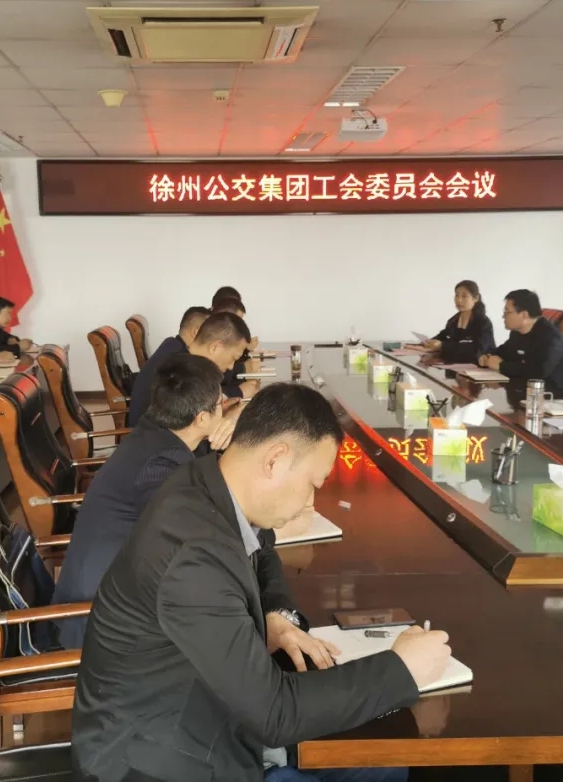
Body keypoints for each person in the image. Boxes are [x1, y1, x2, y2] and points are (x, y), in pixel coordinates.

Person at [71, 382, 452, 782]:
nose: (310, 503)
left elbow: (262, 548)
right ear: (275, 460)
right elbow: (275, 714)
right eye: (313, 484)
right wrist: (402, 669)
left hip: (206, 710)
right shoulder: (192, 555)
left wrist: (275, 614)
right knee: (382, 760)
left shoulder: (209, 485)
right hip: (162, 761)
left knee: (382, 762)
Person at [53, 354, 226, 649]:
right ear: (201, 418)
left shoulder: (154, 434)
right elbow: (196, 541)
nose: (225, 407)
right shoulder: (161, 464)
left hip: (113, 595)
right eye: (221, 403)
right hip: (99, 626)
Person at [128, 310, 251, 441]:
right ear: (215, 347)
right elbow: (187, 432)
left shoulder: (176, 351)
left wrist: (218, 410)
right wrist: (228, 417)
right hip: (155, 443)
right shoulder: (182, 372)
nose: (231, 367)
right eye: (233, 358)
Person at [479, 289, 563, 397]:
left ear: (524, 315)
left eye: (507, 312)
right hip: (523, 389)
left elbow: (539, 371)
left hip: (552, 395)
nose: (503, 316)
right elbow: (504, 352)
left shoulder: (550, 337)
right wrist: (486, 357)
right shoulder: (517, 332)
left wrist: (502, 366)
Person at [422, 279, 496, 362]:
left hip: (478, 366)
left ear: (476, 298)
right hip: (454, 365)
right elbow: (443, 336)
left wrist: (443, 346)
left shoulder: (483, 323)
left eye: (464, 296)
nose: (459, 300)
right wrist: (428, 343)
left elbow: (477, 349)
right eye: (457, 295)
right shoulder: (453, 321)